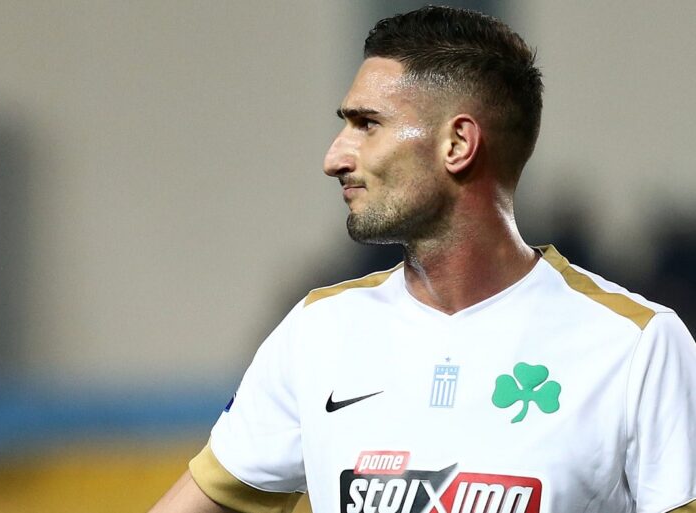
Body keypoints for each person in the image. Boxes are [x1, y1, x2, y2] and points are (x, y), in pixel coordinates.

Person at [150, 6, 696, 513]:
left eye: (367, 124)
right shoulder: (318, 332)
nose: (334, 157)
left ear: (457, 144)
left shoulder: (637, 347)